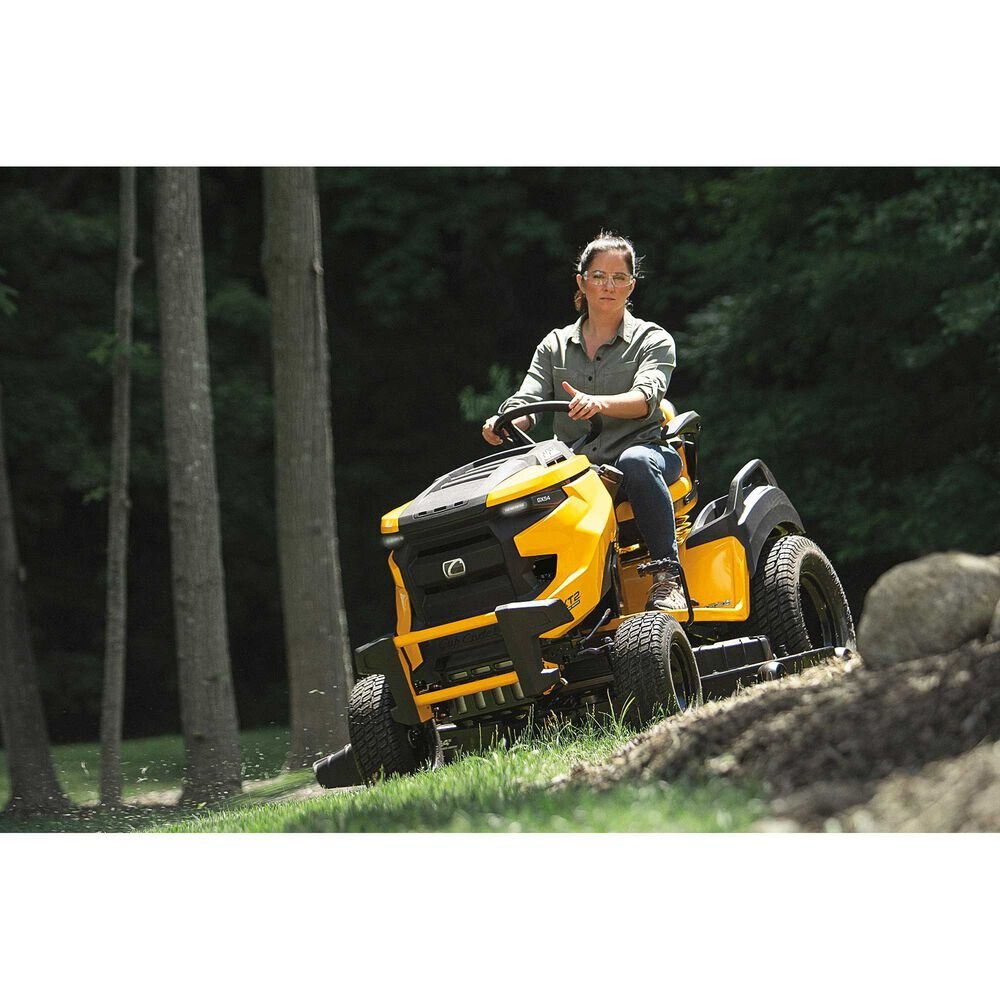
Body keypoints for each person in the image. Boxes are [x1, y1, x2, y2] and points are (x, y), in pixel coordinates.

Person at [483, 232, 686, 611]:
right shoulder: (554, 345)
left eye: (619, 277)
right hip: (578, 471)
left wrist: (597, 403)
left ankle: (667, 578)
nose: (608, 286)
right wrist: (505, 421)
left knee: (636, 462)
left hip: (645, 456)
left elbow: (646, 398)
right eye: (598, 276)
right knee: (514, 490)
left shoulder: (653, 339)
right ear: (581, 282)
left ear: (631, 286)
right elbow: (528, 400)